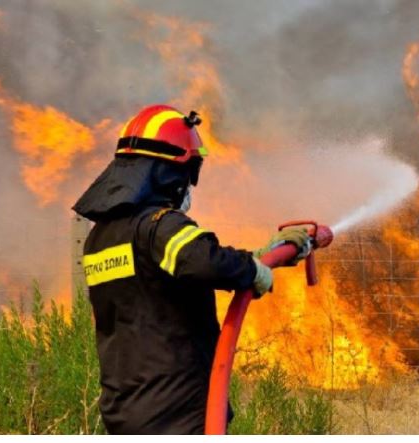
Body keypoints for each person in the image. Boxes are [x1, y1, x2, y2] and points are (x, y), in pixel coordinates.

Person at [72, 104, 310, 434]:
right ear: (170, 174)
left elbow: (172, 272)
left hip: (127, 409)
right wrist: (254, 271)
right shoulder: (159, 225)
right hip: (177, 409)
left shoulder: (101, 238)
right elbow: (204, 261)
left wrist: (259, 257)